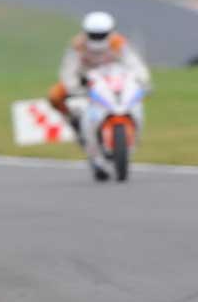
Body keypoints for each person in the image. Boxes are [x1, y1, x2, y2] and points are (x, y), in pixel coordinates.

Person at [48, 11, 151, 178]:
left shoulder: (118, 43)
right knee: (55, 95)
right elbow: (68, 70)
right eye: (94, 35)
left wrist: (142, 80)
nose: (97, 39)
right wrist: (74, 87)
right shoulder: (78, 45)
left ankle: (129, 134)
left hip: (115, 80)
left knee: (135, 97)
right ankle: (74, 123)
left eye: (101, 35)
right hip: (86, 82)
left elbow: (135, 64)